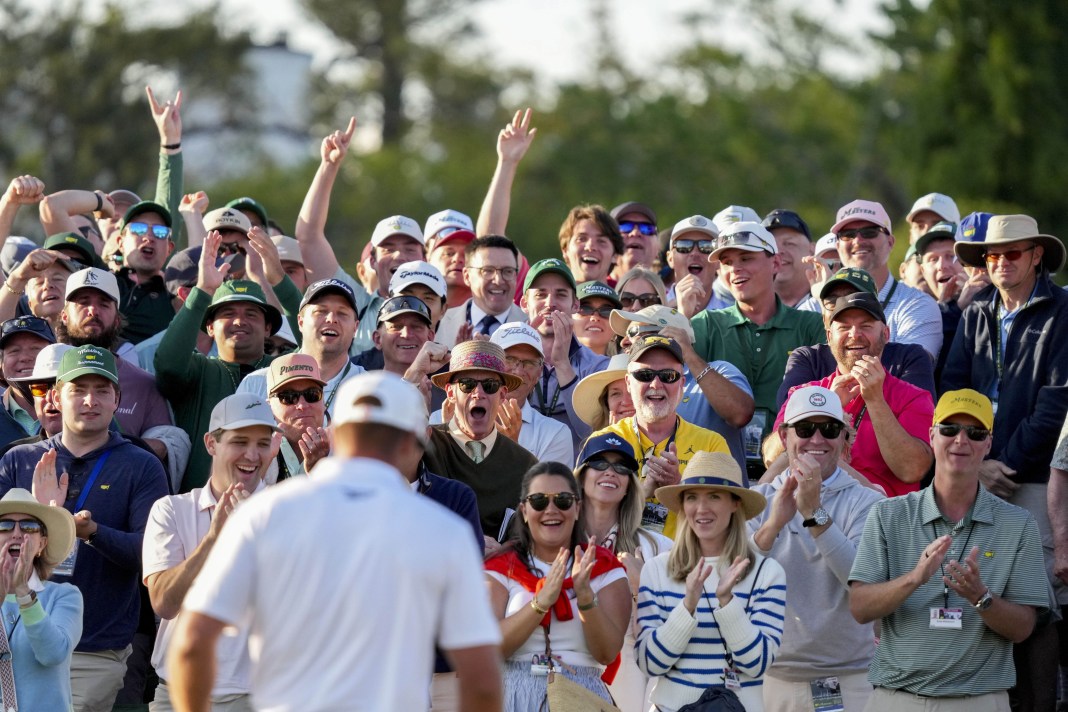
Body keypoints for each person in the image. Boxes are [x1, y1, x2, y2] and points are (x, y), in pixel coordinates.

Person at [167, 371, 503, 711]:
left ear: (335, 432)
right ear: (415, 441)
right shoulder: (444, 531)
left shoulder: (265, 514)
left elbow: (192, 643)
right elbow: (481, 678)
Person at [848, 390, 1050, 710]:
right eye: (949, 429)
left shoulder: (1018, 523)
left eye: (975, 432)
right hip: (896, 698)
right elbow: (859, 608)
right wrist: (914, 578)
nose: (961, 439)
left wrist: (980, 597)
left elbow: (1024, 628)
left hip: (978, 700)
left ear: (988, 444)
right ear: (931, 435)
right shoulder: (887, 514)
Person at [942, 214, 1068, 708]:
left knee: (1034, 602)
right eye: (991, 255)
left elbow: (1055, 404)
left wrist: (1003, 465)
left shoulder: (1063, 311)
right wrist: (974, 462)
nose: (999, 263)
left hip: (1033, 476)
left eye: (1012, 253)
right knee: (972, 593)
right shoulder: (976, 311)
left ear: (1037, 255)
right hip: (974, 471)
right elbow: (950, 388)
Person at [0, 344, 169, 712]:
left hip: (95, 648)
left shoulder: (141, 465)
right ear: (57, 397)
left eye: (102, 390)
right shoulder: (19, 459)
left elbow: (151, 555)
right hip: (14, 642)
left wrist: (92, 533)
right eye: (78, 389)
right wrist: (39, 518)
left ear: (116, 400)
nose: (90, 400)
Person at [142, 393, 280, 711]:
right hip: (176, 694)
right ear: (211, 444)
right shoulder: (171, 510)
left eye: (262, 443)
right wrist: (215, 538)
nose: (252, 454)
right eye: (239, 441)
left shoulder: (289, 510)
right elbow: (164, 603)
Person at [749, 386, 884, 711]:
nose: (818, 439)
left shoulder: (869, 502)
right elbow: (736, 582)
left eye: (830, 429)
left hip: (851, 678)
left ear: (844, 438)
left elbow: (861, 586)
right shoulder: (758, 502)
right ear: (784, 435)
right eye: (806, 429)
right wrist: (773, 526)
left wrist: (814, 514)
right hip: (770, 679)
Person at [636, 451, 786, 712]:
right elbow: (649, 663)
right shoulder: (657, 570)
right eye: (692, 497)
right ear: (682, 505)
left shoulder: (767, 573)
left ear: (735, 503)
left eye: (714, 497)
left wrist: (727, 603)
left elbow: (759, 663)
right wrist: (687, 607)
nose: (701, 509)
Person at [484, 461, 631, 710]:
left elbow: (607, 653)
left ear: (577, 508)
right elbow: (491, 648)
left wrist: (585, 597)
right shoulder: (501, 566)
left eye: (562, 500)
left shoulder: (605, 567)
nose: (551, 509)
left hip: (581, 693)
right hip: (513, 693)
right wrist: (540, 603)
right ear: (524, 510)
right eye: (539, 501)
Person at [692, 221, 825, 482]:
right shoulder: (706, 324)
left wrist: (825, 302)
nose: (735, 268)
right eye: (727, 262)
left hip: (791, 473)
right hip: (716, 475)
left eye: (746, 258)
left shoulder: (810, 325)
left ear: (775, 263)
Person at [154, 231, 285, 492]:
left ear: (268, 327)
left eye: (251, 313)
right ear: (210, 328)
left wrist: (280, 281)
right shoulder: (198, 370)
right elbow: (167, 364)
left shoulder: (281, 372)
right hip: (202, 508)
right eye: (227, 314)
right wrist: (203, 291)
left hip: (271, 505)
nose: (239, 321)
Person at [773, 292, 934, 496]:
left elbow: (913, 470)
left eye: (866, 326)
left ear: (886, 334)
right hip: (808, 510)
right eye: (844, 327)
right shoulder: (805, 393)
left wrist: (876, 401)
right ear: (830, 337)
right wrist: (823, 410)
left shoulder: (913, 397)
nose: (854, 334)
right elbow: (771, 458)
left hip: (880, 520)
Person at [593, 334, 732, 538]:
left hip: (687, 561)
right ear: (628, 383)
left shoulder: (711, 444)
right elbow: (587, 518)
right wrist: (641, 492)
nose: (656, 385)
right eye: (645, 375)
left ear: (682, 383)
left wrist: (678, 490)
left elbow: (725, 524)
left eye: (668, 376)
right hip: (620, 560)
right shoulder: (602, 442)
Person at [574, 433, 672, 712]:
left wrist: (645, 588)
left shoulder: (659, 549)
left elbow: (675, 630)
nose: (610, 472)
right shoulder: (555, 543)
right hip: (568, 665)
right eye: (599, 463)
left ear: (630, 485)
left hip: (631, 672)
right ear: (581, 476)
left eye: (621, 467)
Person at [610, 304, 755, 473]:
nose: (623, 341)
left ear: (669, 335)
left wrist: (688, 354)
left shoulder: (720, 371)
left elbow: (740, 414)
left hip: (711, 492)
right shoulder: (632, 381)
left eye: (633, 332)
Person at [424, 340, 537, 545]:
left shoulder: (525, 464)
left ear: (502, 394)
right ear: (450, 393)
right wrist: (413, 375)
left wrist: (503, 550)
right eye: (467, 384)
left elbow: (532, 538)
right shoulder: (425, 445)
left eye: (490, 386)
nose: (478, 393)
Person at [776, 267, 937, 407]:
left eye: (855, 297)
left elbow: (920, 414)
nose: (843, 305)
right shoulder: (807, 358)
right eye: (832, 300)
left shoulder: (908, 358)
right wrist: (831, 404)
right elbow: (789, 414)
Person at [0, 488, 82, 711]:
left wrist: (24, 595)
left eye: (29, 526)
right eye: (4, 526)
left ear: (42, 543)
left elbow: (53, 654)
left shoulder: (65, 595)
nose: (16, 533)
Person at [830, 199, 942, 359]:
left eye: (870, 232)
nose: (858, 241)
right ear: (838, 246)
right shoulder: (814, 306)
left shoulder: (917, 304)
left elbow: (913, 370)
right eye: (847, 235)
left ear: (890, 242)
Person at [520, 258, 609, 446]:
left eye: (560, 294)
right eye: (540, 295)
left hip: (573, 472)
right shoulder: (507, 359)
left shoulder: (598, 366)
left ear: (575, 305)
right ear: (524, 303)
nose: (550, 303)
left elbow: (590, 433)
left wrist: (561, 364)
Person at [485, 322, 575, 465]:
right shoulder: (441, 420)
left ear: (539, 373)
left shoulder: (555, 434)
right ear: (487, 363)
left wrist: (510, 450)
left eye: (529, 363)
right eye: (509, 359)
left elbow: (548, 488)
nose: (519, 371)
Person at [436, 235, 527, 347]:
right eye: (488, 271)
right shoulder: (438, 322)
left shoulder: (530, 326)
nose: (498, 280)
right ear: (467, 276)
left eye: (507, 271)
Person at [265, 354, 330, 479]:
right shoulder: (257, 454)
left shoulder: (348, 449)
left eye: (312, 394)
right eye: (288, 397)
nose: (302, 405)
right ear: (270, 407)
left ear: (324, 402)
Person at [666, 215, 722, 318]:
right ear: (670, 258)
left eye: (706, 246)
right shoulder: (651, 311)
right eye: (684, 246)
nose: (695, 253)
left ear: (718, 261)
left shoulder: (731, 316)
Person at [762, 209, 815, 310]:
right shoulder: (749, 310)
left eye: (789, 243)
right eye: (771, 245)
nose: (778, 252)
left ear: (812, 249)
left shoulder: (829, 303)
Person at [424, 209, 477, 309]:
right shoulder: (410, 313)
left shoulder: (494, 311)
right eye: (448, 253)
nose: (457, 259)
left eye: (466, 254)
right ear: (427, 257)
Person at [571, 353, 632, 433]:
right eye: (616, 394)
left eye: (631, 391)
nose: (625, 402)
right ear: (606, 403)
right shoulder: (595, 443)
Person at [610, 201, 660, 279]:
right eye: (625, 226)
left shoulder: (670, 291)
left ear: (658, 248)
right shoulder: (591, 289)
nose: (636, 233)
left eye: (646, 228)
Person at [574, 281, 621, 356]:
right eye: (585, 309)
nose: (595, 317)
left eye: (606, 311)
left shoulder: (628, 366)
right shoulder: (551, 364)